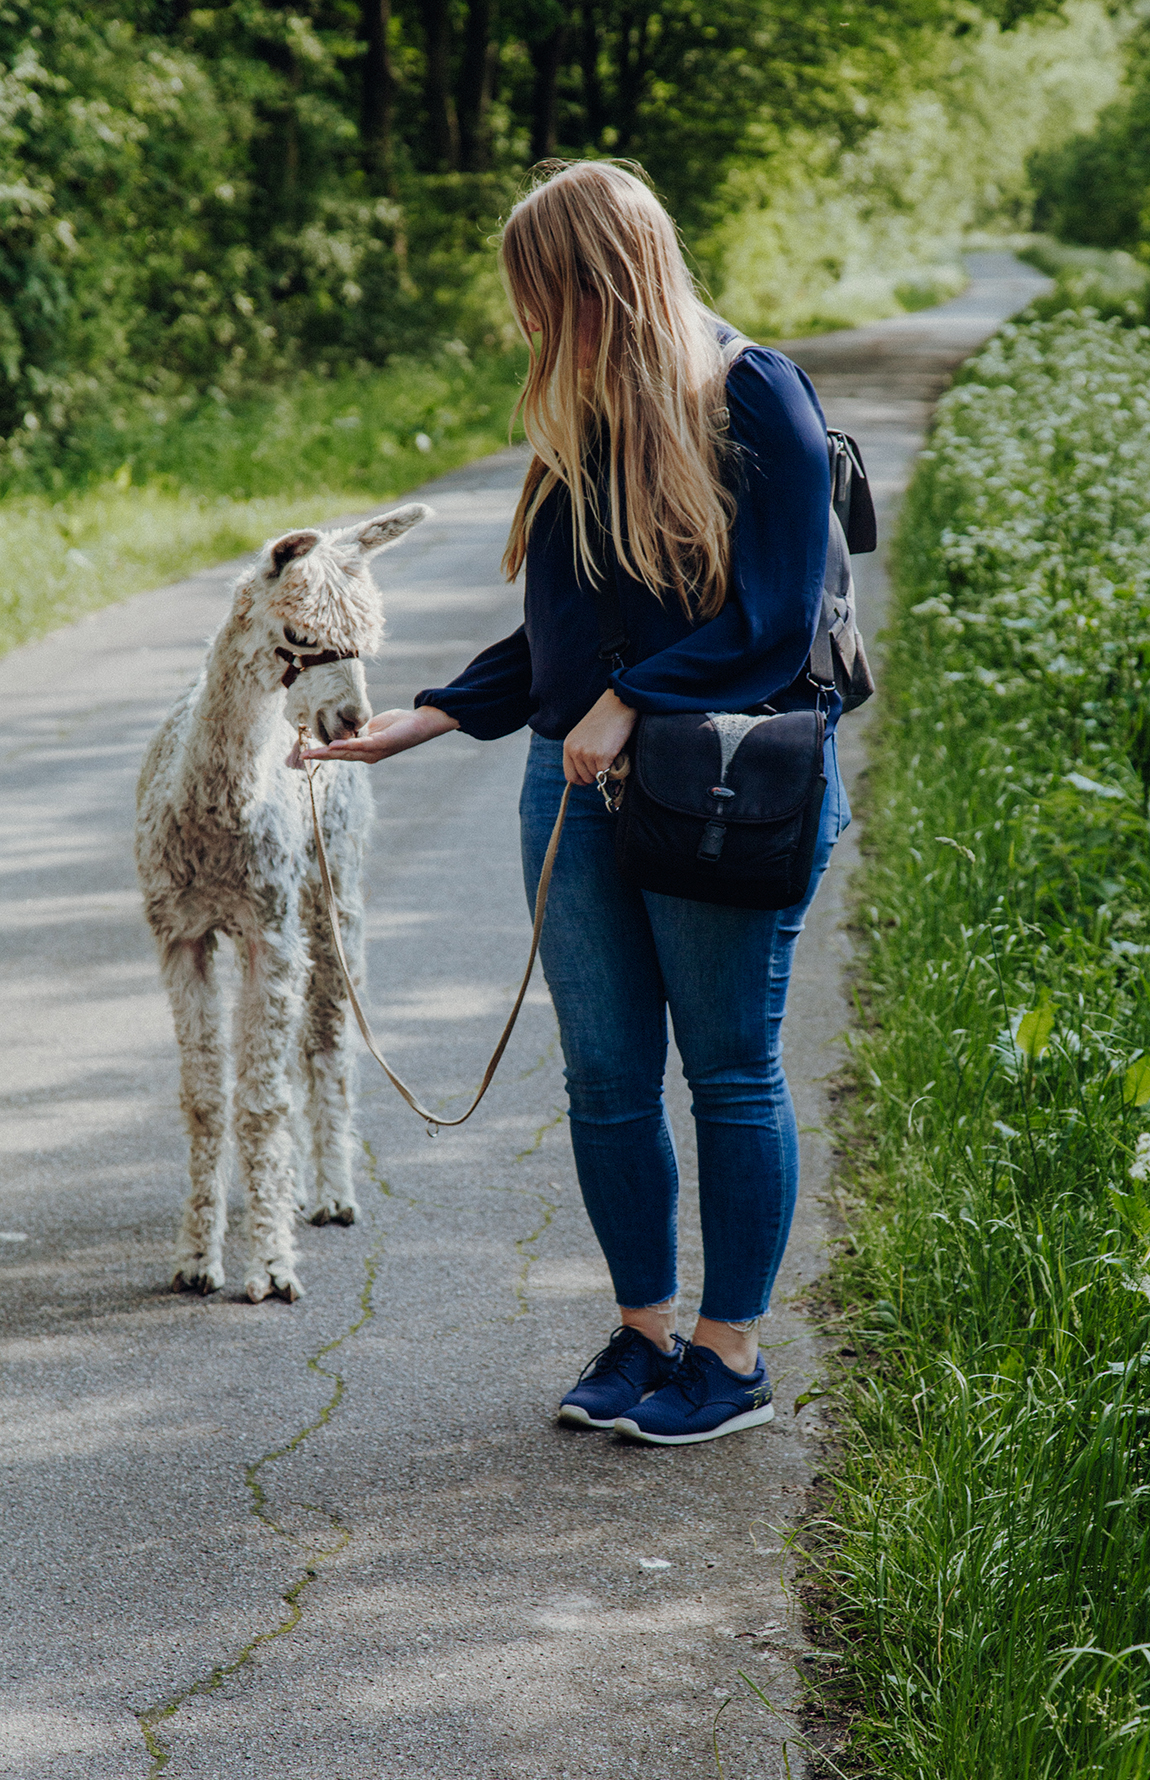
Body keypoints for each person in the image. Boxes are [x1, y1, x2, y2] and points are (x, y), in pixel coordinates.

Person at [303, 159, 849, 1447]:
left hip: (718, 782)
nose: (532, 325)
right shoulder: (587, 421)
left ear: (603, 278)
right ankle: (646, 1329)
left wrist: (634, 701)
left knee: (725, 1071)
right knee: (606, 1080)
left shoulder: (755, 393)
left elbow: (778, 623)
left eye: (545, 294)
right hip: (578, 780)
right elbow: (564, 634)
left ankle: (732, 1357)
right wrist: (436, 711)